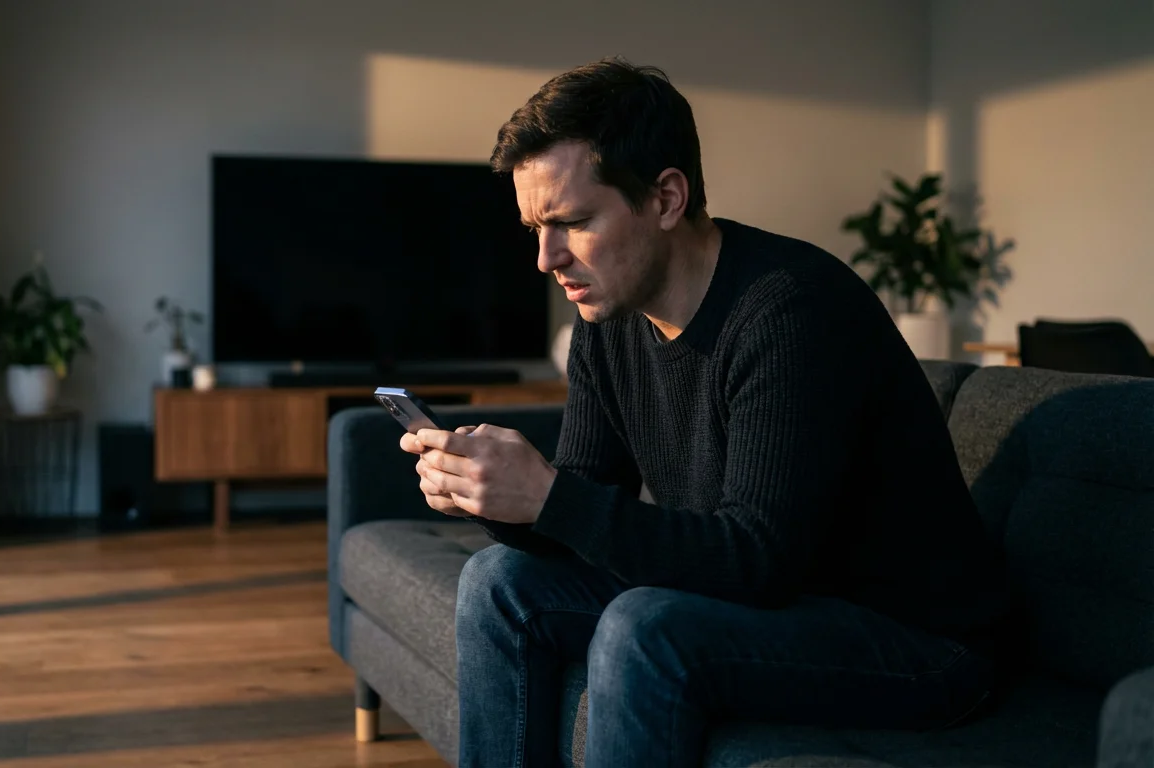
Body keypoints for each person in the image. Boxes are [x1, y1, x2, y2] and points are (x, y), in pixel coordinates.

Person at [398, 58, 1007, 767]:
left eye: (571, 222)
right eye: (535, 227)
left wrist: (549, 496)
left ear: (665, 197)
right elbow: (585, 504)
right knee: (499, 585)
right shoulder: (607, 319)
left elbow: (759, 561)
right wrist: (497, 498)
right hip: (783, 600)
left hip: (918, 639)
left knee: (644, 626)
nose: (545, 258)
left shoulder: (790, 310)